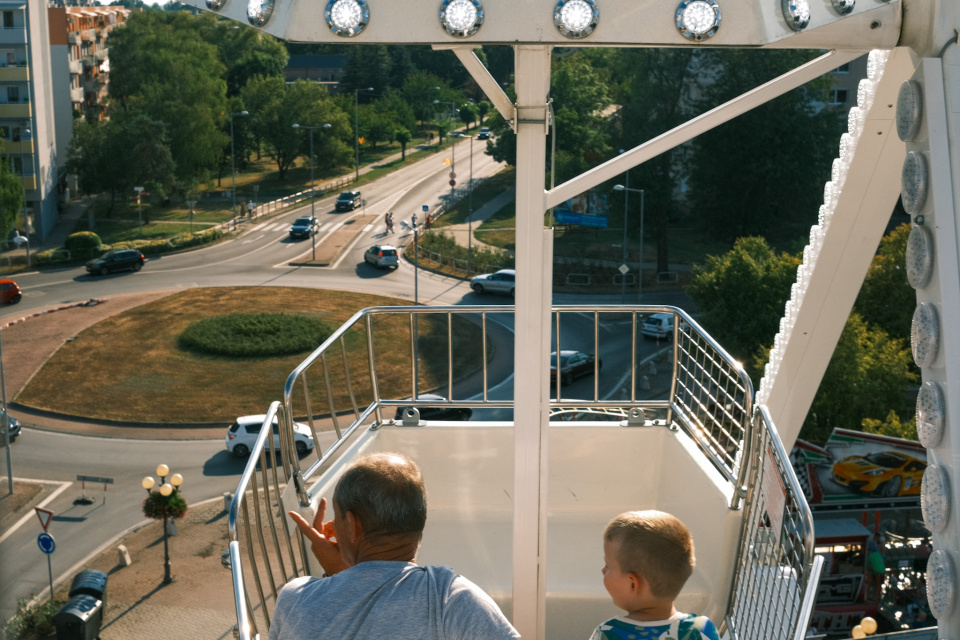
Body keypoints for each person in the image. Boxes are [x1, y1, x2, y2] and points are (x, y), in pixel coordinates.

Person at [271, 452, 519, 640]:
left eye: (337, 518)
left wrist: (340, 574)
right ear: (418, 519)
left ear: (353, 525)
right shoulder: (450, 596)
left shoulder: (295, 599)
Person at [589, 510, 719, 640]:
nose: (603, 571)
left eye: (608, 566)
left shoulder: (607, 633)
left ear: (632, 583)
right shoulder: (702, 629)